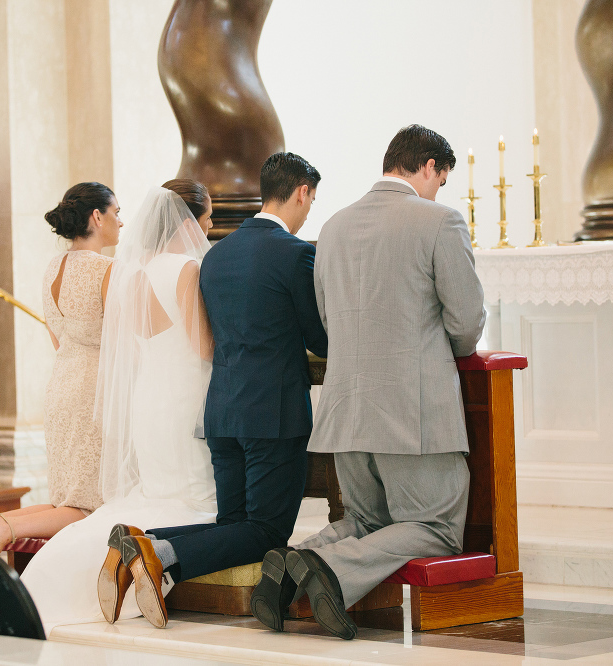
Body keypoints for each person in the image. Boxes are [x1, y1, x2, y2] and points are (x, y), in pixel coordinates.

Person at [251, 125, 486, 640]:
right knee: (436, 528)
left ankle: (294, 560)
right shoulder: (440, 221)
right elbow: (466, 324)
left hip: (346, 409)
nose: (438, 191)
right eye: (440, 180)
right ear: (428, 167)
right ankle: (329, 571)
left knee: (368, 523)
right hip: (412, 412)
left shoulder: (331, 227)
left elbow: (329, 321)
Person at [100, 153, 328, 629]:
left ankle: (148, 549)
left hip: (222, 411)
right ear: (302, 192)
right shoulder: (295, 253)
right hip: (274, 413)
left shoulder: (217, 255)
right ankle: (156, 548)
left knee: (235, 526)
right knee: (265, 530)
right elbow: (317, 337)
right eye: (311, 198)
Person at [19, 179, 219, 634]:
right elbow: (204, 347)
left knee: (150, 495)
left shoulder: (135, 272)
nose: (209, 226)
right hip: (184, 399)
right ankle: (138, 557)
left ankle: (65, 574)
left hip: (148, 399)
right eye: (206, 217)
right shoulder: (186, 268)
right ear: (187, 220)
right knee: (194, 501)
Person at [0, 182, 122, 551]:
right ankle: (1, 529)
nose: (122, 221)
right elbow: (123, 346)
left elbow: (57, 337)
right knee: (87, 507)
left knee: (66, 500)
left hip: (61, 385)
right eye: (117, 213)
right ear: (97, 216)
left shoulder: (53, 267)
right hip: (95, 390)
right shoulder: (108, 270)